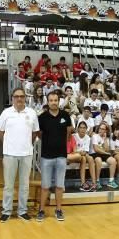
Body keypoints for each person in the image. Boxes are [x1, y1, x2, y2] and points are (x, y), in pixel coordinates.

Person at [0, 87, 40, 222]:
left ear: (25, 98)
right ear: (12, 98)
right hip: (10, 154)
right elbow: (0, 132)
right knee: (8, 185)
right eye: (16, 96)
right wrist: (9, 145)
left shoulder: (32, 113)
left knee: (24, 185)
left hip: (26, 154)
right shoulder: (6, 113)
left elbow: (34, 133)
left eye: (22, 96)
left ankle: (22, 211)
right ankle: (7, 211)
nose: (19, 98)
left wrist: (27, 144)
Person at [36, 90, 72, 222]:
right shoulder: (42, 117)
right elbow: (39, 134)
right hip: (46, 157)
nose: (53, 103)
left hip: (61, 156)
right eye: (51, 100)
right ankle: (41, 210)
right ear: (48, 101)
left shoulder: (65, 115)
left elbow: (68, 133)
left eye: (55, 100)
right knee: (45, 185)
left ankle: (58, 210)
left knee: (59, 185)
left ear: (59, 101)